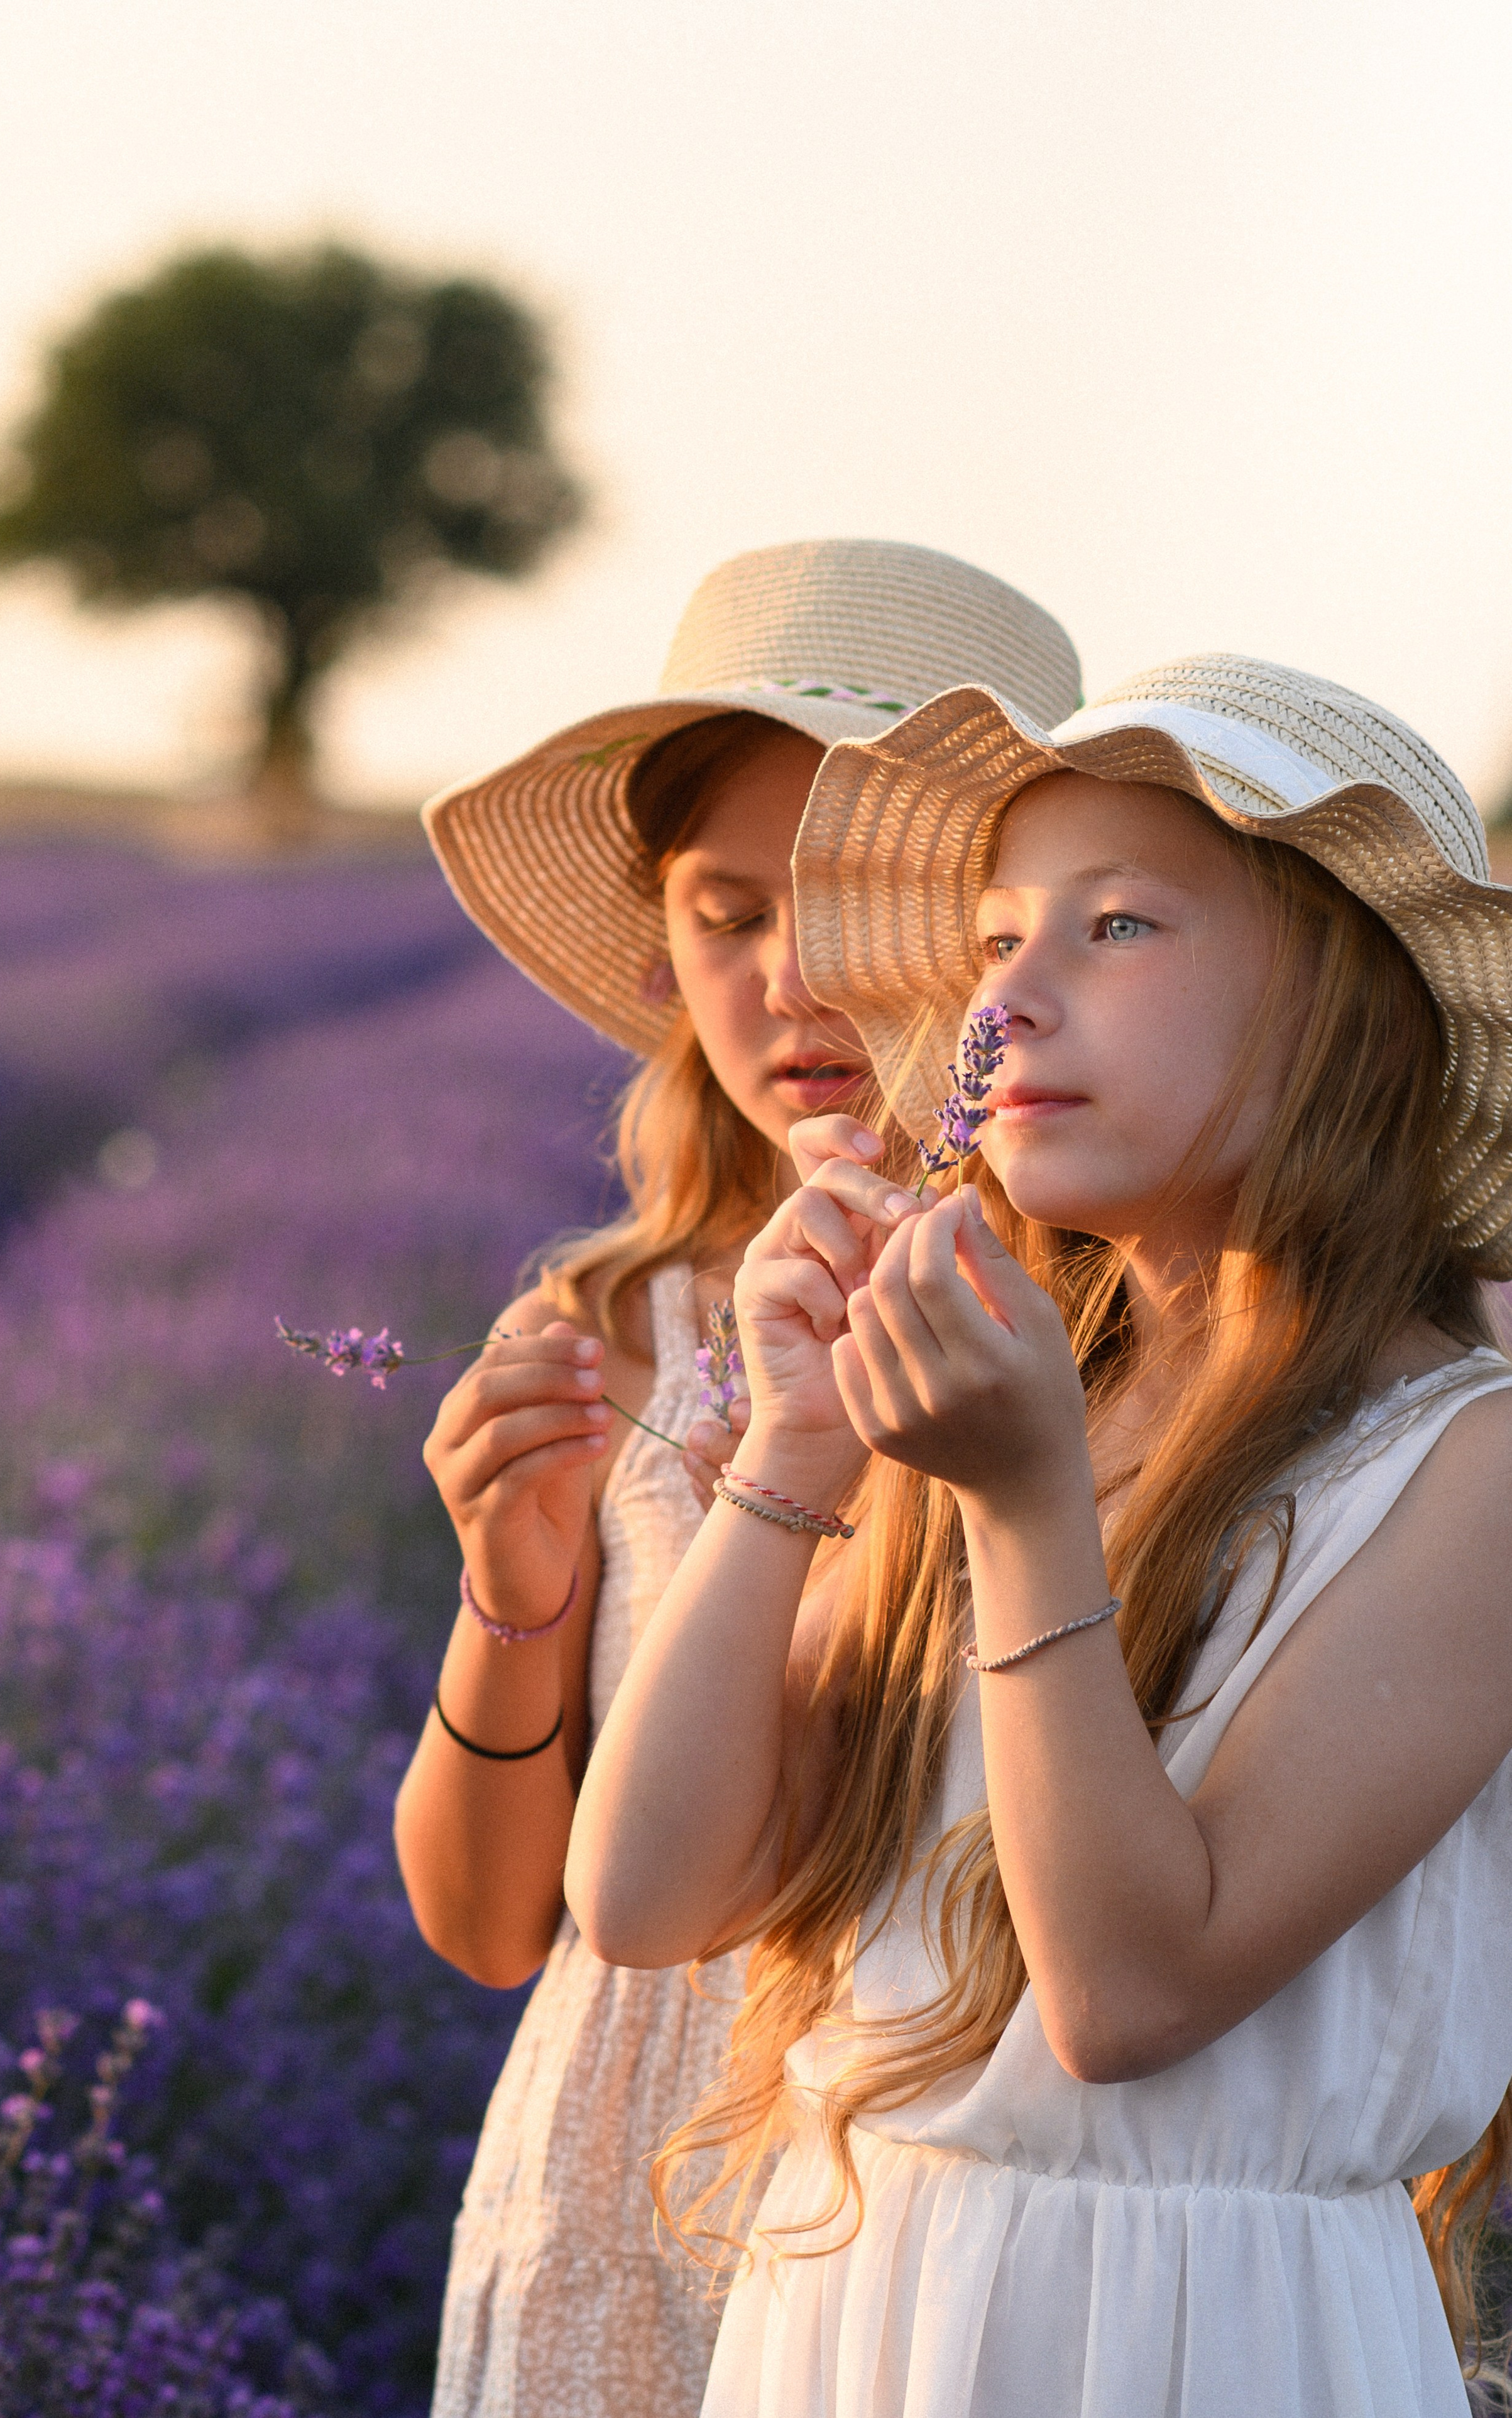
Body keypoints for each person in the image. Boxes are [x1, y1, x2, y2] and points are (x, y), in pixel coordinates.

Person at [567, 654, 1512, 2417]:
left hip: (1210, 2343)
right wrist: (794, 1456)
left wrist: (1024, 1504)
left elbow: (1132, 1995)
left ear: (1336, 1011)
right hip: (864, 2309)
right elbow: (648, 1895)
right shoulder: (1013, 1388)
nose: (1013, 1002)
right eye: (998, 943)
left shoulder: (1468, 1471)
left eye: (1120, 929)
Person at [393, 537, 1082, 2418]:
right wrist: (509, 1589)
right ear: (661, 945)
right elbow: (485, 1930)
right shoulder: (617, 1322)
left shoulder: (1098, 1333)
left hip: (942, 2194)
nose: (792, 983)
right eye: (726, 914)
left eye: (860, 906)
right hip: (621, 2186)